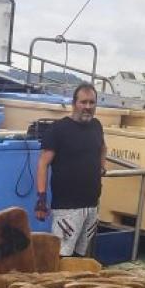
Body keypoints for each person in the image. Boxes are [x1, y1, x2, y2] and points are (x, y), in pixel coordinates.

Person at [33, 82, 106, 256]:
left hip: (91, 206)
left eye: (92, 102)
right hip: (67, 209)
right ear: (74, 103)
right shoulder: (58, 130)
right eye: (83, 102)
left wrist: (102, 166)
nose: (87, 107)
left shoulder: (97, 126)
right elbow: (43, 164)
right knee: (61, 256)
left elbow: (103, 147)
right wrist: (41, 199)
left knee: (81, 257)